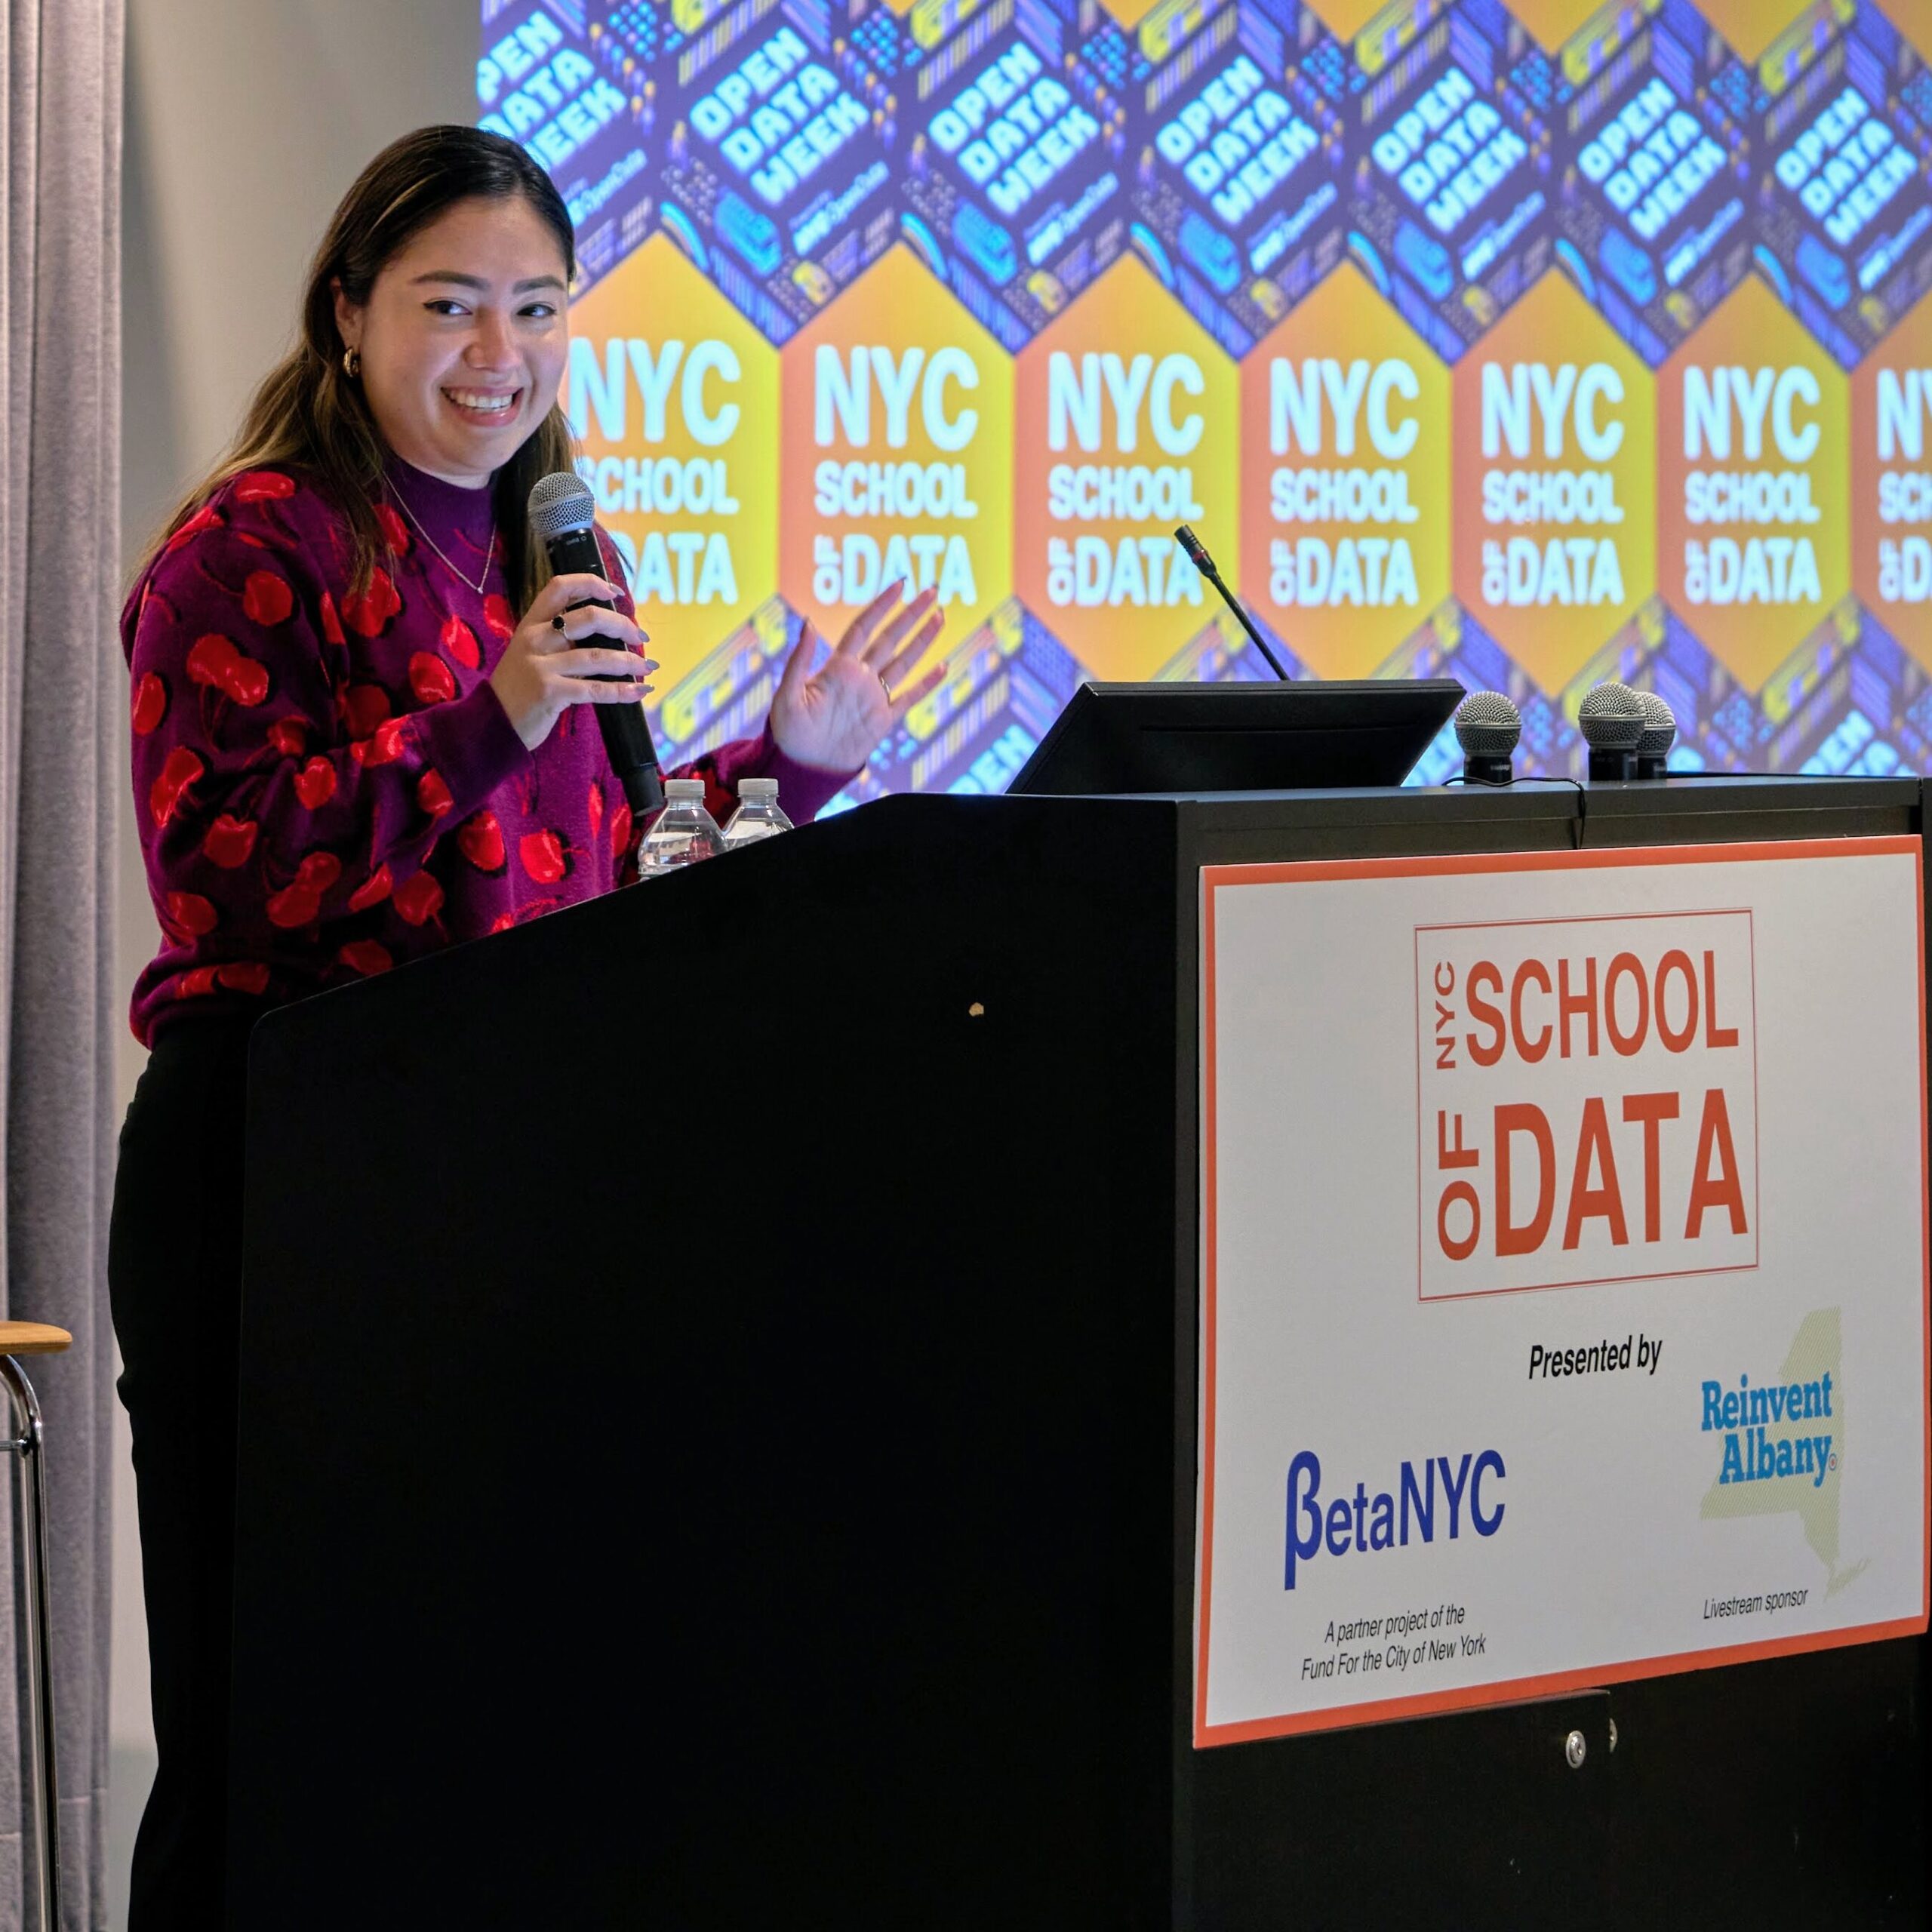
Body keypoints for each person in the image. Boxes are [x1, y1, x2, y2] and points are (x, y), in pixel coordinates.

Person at [109, 123, 947, 1927]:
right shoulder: (249, 547)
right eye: (453, 304)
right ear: (347, 312)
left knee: (474, 1715)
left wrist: (784, 761)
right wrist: (487, 713)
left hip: (499, 1181)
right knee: (275, 1728)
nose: (503, 352)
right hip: (282, 1175)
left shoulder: (540, 553)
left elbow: (590, 860)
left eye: (540, 309)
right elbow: (221, 870)